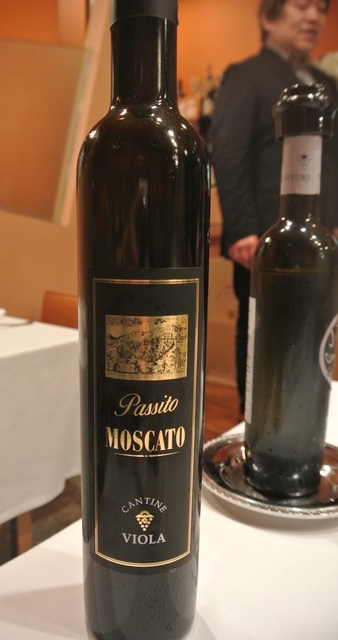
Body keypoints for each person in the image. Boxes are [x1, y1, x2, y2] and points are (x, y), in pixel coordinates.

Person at [212, 0, 338, 415]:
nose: (314, 17)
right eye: (301, 6)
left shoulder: (327, 84)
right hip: (264, 237)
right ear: (268, 17)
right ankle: (253, 418)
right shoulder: (247, 75)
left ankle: (304, 416)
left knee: (316, 327)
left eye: (321, 8)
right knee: (258, 327)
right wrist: (243, 229)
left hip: (321, 238)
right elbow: (229, 152)